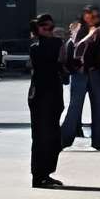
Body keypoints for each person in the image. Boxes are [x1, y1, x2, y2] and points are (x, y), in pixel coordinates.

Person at [60, 4, 100, 152]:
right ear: (83, 15)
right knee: (75, 107)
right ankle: (63, 140)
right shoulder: (77, 28)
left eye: (95, 16)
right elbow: (74, 46)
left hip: (95, 72)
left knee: (99, 107)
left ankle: (99, 142)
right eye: (89, 14)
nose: (92, 18)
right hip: (79, 72)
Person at [27, 14, 66, 187]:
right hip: (40, 96)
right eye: (45, 27)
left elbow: (62, 64)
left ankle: (46, 173)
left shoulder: (56, 43)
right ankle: (38, 175)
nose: (49, 30)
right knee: (41, 137)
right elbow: (51, 62)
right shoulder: (37, 47)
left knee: (54, 138)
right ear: (37, 30)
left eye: (51, 27)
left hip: (54, 94)